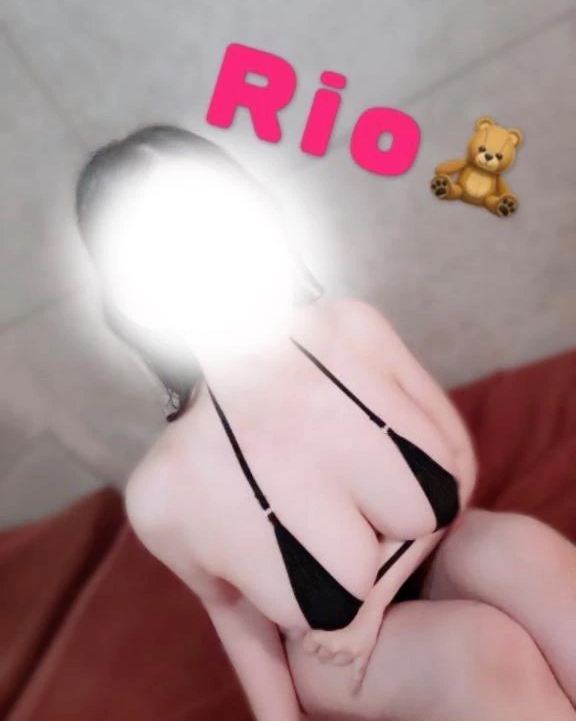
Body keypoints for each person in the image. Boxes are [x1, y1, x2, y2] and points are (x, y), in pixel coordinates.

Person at [75, 124, 576, 721]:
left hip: (439, 560)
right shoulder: (165, 493)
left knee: (519, 550)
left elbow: (457, 461)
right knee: (476, 650)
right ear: (135, 299)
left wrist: (375, 602)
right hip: (334, 656)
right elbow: (237, 618)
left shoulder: (354, 329)